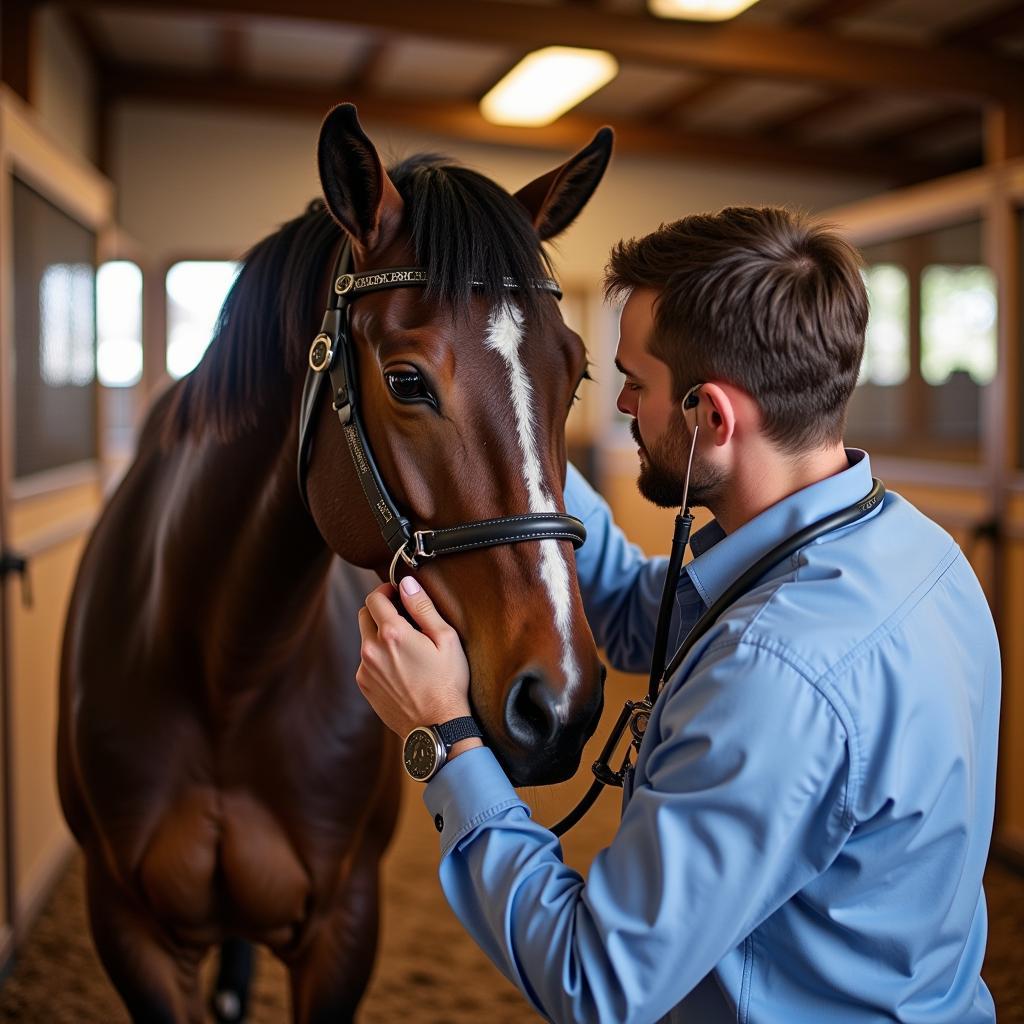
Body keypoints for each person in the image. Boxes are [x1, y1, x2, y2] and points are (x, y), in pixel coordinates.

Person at [355, 206, 1000, 1023]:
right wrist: (512, 433)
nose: (620, 403)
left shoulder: (774, 673)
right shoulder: (915, 552)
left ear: (711, 418)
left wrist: (442, 733)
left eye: (635, 383)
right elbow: (632, 606)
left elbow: (595, 981)